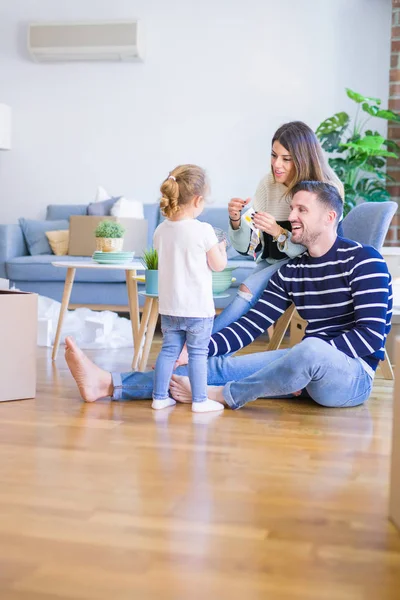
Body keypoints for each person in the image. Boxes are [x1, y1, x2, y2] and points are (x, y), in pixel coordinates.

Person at [65, 181, 392, 410]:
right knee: (198, 369)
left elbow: (370, 335)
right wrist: (197, 350)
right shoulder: (291, 270)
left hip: (351, 376)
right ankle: (108, 384)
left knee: (308, 351)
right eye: (292, 208)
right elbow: (249, 326)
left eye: (301, 210)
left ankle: (223, 395)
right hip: (302, 363)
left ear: (329, 217)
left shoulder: (364, 261)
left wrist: (298, 361)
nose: (291, 216)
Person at [212, 120, 344, 334]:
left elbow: (313, 246)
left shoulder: (326, 190)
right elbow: (249, 247)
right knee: (250, 287)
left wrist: (279, 232)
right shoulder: (268, 184)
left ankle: (200, 346)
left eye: (286, 159)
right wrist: (236, 220)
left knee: (248, 288)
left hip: (309, 264)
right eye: (274, 156)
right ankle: (205, 348)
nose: (277, 165)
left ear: (303, 159)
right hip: (272, 262)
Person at [151, 164, 227, 413]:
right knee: (197, 354)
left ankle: (160, 397)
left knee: (169, 350)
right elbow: (217, 266)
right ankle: (200, 400)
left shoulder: (160, 231)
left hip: (170, 307)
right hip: (197, 309)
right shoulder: (204, 230)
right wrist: (222, 250)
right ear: (198, 200)